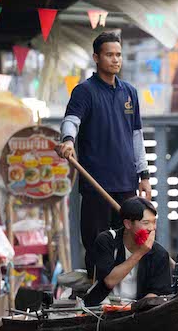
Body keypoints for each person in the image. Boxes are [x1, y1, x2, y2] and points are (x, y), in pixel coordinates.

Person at [55, 32, 151, 275]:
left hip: (126, 183)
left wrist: (144, 174)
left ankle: (125, 295)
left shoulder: (130, 92)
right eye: (109, 55)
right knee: (96, 242)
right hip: (95, 182)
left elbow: (136, 136)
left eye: (118, 55)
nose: (115, 59)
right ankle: (97, 292)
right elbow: (71, 121)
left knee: (127, 242)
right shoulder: (84, 91)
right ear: (96, 57)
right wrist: (68, 141)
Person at [84, 197, 172, 306]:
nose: (151, 228)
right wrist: (140, 253)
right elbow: (109, 281)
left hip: (138, 311)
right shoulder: (107, 240)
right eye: (146, 223)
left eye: (154, 222)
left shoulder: (159, 253)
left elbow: (158, 293)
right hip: (103, 307)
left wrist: (138, 308)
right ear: (128, 224)